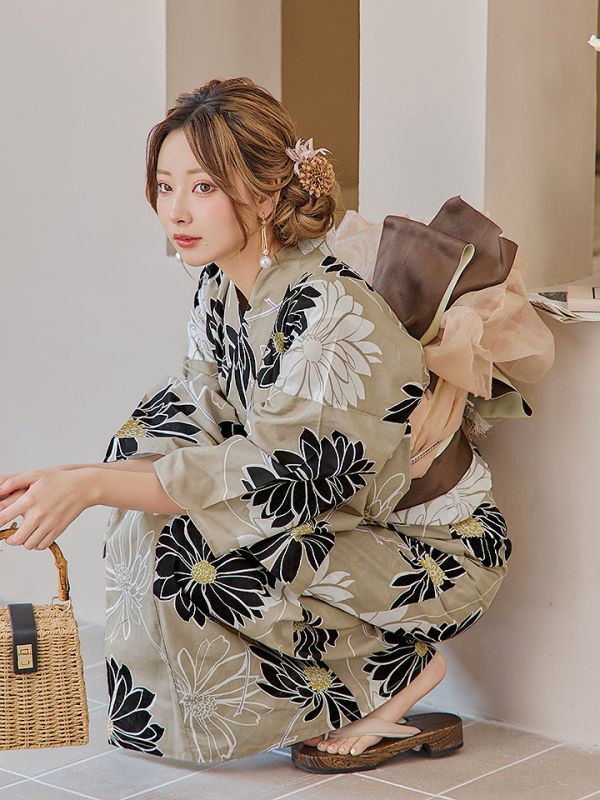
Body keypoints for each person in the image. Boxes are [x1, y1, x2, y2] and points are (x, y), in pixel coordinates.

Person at [0, 76, 553, 773]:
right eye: (165, 186)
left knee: (205, 549)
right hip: (343, 528)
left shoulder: (331, 311)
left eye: (203, 187)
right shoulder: (218, 288)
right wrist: (70, 479)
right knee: (147, 511)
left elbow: (276, 481)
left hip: (432, 555)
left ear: (265, 195)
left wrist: (89, 488)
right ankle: (343, 682)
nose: (176, 209)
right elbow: (191, 416)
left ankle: (396, 672)